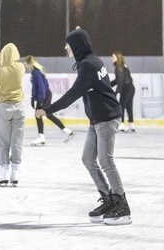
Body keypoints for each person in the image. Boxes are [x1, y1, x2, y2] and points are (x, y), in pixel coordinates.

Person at [35, 27, 132, 226]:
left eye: (68, 44)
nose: (65, 48)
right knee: (88, 158)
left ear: (77, 46)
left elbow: (72, 95)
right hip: (97, 118)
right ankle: (108, 199)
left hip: (106, 117)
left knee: (105, 160)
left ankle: (122, 206)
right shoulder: (91, 61)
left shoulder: (88, 65)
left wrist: (46, 110)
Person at [0, 43, 26, 187]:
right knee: (17, 141)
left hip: (3, 108)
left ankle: (4, 172)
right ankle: (15, 172)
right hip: (19, 108)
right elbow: (11, 60)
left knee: (3, 142)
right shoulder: (20, 68)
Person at [23, 55, 74, 146]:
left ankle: (41, 137)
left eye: (26, 65)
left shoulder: (36, 73)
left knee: (38, 114)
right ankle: (67, 131)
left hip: (44, 95)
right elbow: (36, 88)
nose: (26, 67)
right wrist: (33, 98)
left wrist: (41, 100)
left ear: (30, 63)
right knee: (48, 114)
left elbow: (41, 87)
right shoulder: (35, 72)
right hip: (45, 95)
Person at [110, 51, 135, 132]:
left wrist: (118, 91)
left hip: (125, 88)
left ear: (117, 58)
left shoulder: (119, 67)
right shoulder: (123, 66)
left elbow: (120, 80)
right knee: (128, 106)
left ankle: (121, 125)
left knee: (121, 106)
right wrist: (109, 85)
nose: (112, 59)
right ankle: (131, 125)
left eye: (113, 57)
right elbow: (118, 80)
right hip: (130, 87)